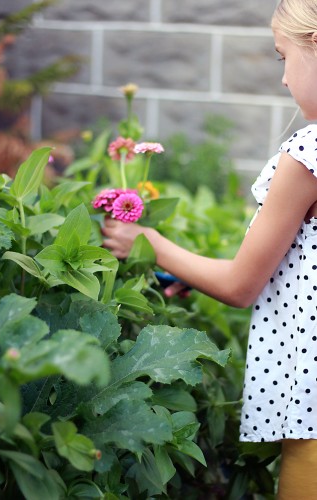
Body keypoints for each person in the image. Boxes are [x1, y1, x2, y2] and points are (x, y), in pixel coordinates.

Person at [102, 1, 317, 497]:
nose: (284, 80)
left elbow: (242, 285)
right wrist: (191, 269)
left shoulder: (307, 154)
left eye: (282, 57)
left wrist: (150, 244)